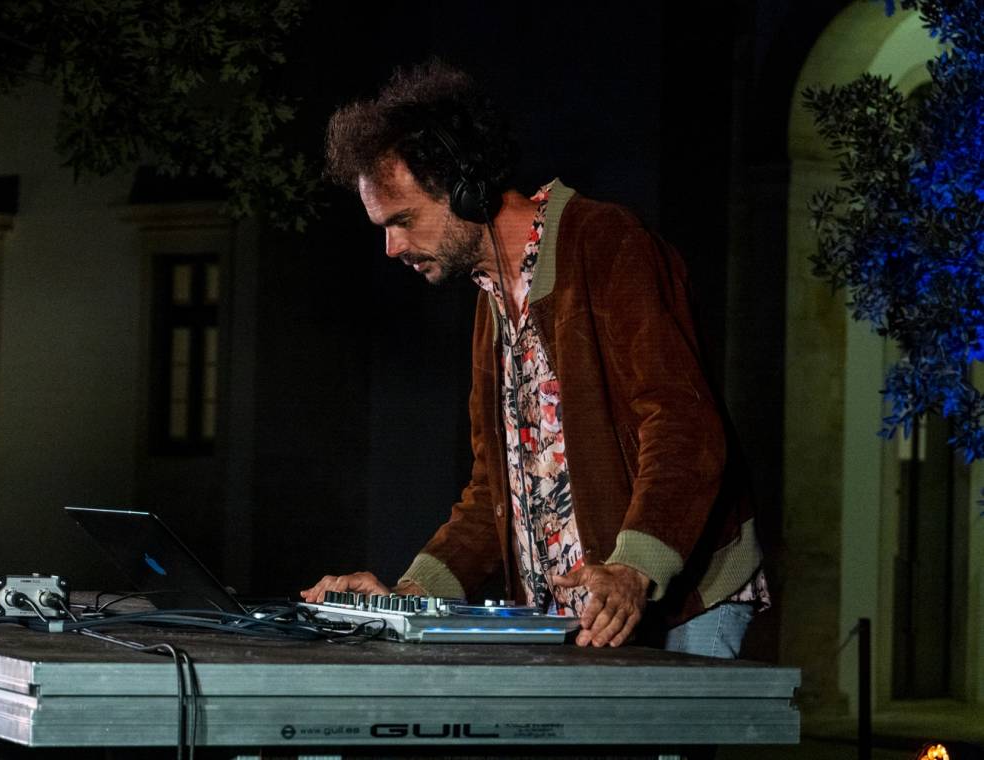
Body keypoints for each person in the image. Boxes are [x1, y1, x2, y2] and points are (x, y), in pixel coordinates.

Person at [301, 61, 768, 656]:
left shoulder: (606, 242)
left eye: (403, 220)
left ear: (464, 186)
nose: (391, 248)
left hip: (683, 603)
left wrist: (634, 568)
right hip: (579, 618)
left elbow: (682, 423)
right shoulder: (491, 304)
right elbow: (491, 492)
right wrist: (409, 596)